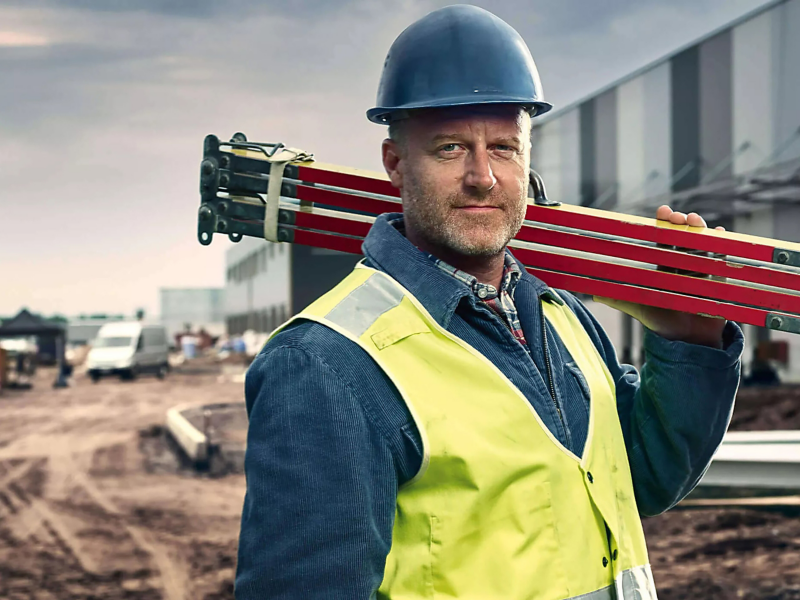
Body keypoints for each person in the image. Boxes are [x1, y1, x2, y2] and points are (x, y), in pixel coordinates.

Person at [235, 6, 742, 599]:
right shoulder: (329, 364)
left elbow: (646, 481)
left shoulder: (560, 315)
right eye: (450, 148)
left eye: (504, 147)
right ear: (395, 164)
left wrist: (690, 344)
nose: (484, 176)